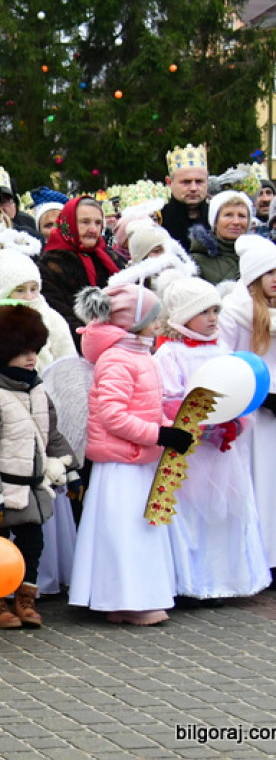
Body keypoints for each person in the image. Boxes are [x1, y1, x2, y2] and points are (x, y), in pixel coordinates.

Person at [69, 283, 192, 625]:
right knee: (124, 532)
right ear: (133, 322)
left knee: (137, 529)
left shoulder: (139, 355)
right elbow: (113, 414)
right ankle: (126, 599)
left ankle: (127, 599)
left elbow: (148, 408)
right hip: (120, 461)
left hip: (138, 457)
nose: (158, 324)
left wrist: (170, 429)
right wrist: (159, 434)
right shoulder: (117, 359)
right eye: (153, 318)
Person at [0, 303, 78, 629]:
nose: (31, 358)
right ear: (2, 351)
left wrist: (72, 469)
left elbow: (50, 433)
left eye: (34, 351)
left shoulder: (36, 389)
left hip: (31, 487)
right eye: (23, 352)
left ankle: (24, 598)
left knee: (32, 545)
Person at [155, 276, 270, 603]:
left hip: (223, 450)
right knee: (190, 511)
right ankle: (194, 582)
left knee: (224, 508)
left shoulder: (222, 349)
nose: (212, 318)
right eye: (203, 311)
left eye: (215, 311)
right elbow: (167, 398)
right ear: (182, 314)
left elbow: (241, 389)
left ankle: (225, 577)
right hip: (192, 450)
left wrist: (236, 422)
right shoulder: (169, 353)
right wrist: (199, 424)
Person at [219, 235, 276, 579]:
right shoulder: (236, 313)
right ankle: (259, 556)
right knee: (258, 483)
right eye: (269, 272)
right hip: (254, 410)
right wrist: (259, 394)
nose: (275, 279)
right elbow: (226, 359)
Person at [39, 196, 122, 349]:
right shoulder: (49, 265)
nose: (93, 229)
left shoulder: (111, 259)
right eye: (85, 222)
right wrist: (96, 341)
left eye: (98, 223)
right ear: (69, 223)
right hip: (75, 347)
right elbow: (58, 314)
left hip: (120, 344)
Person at [189, 190, 253, 285]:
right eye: (228, 215)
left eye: (242, 216)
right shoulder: (196, 263)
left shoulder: (259, 256)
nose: (236, 222)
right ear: (215, 222)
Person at [161, 144, 209, 250]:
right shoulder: (158, 221)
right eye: (186, 182)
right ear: (169, 182)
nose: (193, 188)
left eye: (199, 181)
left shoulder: (218, 218)